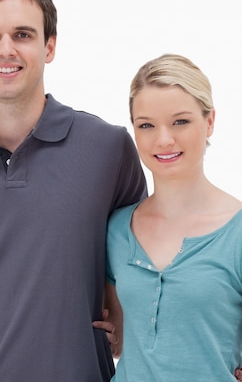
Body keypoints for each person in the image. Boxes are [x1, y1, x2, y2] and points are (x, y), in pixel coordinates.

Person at [0, 0, 148, 382]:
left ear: (50, 46)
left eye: (22, 34)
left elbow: (147, 257)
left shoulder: (108, 149)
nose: (6, 49)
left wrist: (126, 310)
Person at [103, 53, 242, 381]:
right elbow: (119, 340)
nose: (163, 139)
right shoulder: (117, 230)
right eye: (147, 125)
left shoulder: (236, 233)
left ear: (209, 122)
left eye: (180, 121)